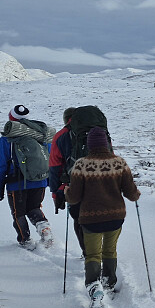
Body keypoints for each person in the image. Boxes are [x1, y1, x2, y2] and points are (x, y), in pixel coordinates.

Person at [65, 127, 141, 306]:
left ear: (89, 145)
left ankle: (94, 286)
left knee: (92, 254)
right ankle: (109, 282)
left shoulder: (81, 164)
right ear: (106, 143)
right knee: (109, 250)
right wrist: (136, 194)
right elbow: (131, 193)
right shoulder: (119, 163)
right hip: (115, 218)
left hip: (90, 219)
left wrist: (67, 193)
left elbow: (74, 197)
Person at [0, 105, 54, 250]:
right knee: (34, 208)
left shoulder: (7, 139)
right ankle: (45, 229)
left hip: (16, 184)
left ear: (11, 119)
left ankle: (25, 241)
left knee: (18, 213)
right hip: (40, 181)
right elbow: (49, 161)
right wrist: (49, 182)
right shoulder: (41, 136)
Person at [48, 107, 84, 255]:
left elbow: (55, 167)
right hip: (101, 183)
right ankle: (103, 255)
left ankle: (88, 254)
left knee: (78, 219)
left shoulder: (61, 136)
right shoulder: (99, 132)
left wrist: (56, 193)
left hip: (74, 185)